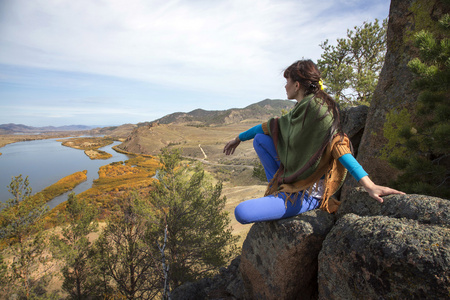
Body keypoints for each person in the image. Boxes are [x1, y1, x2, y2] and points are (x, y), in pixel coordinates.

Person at [223, 59, 404, 224]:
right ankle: (278, 189)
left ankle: (290, 197)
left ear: (296, 84)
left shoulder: (318, 110)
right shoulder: (302, 108)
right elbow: (268, 127)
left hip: (308, 192)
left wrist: (369, 185)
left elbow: (339, 146)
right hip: (294, 182)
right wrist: (238, 139)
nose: (285, 87)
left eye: (287, 82)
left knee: (242, 212)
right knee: (261, 140)